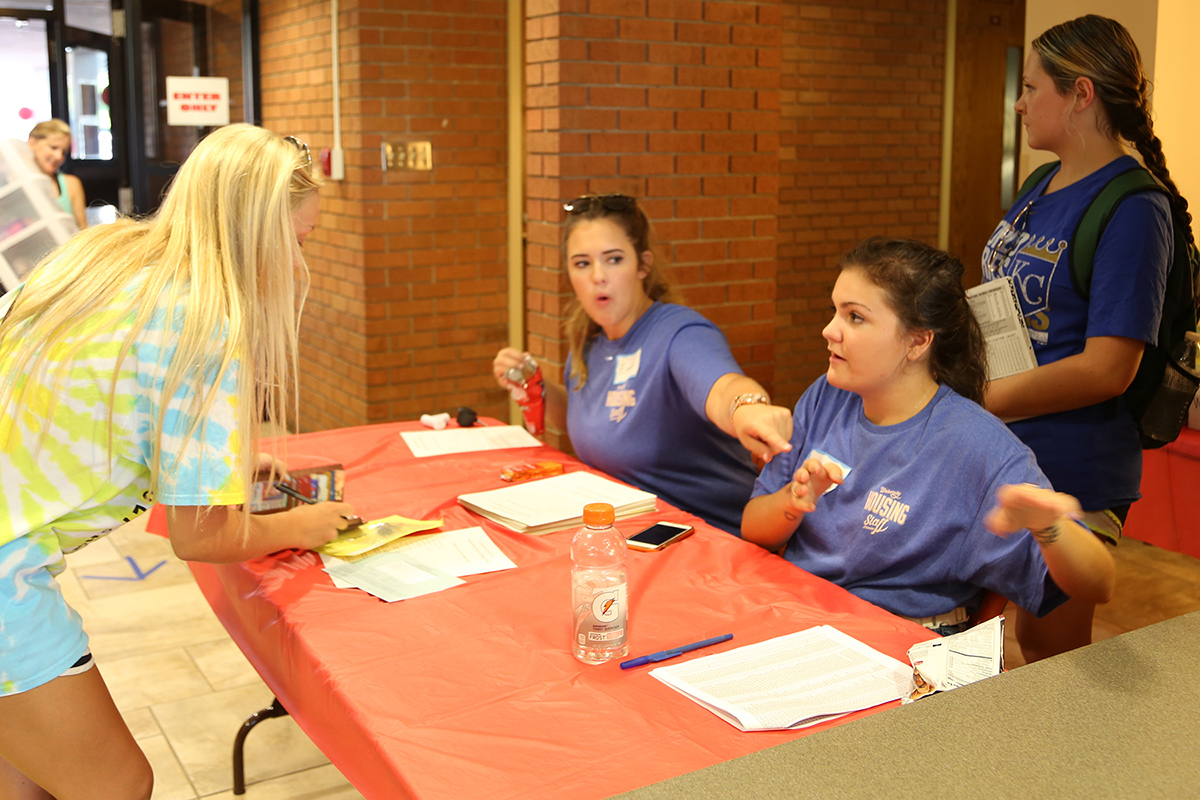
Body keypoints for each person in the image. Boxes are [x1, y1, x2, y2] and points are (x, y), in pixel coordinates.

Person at [0, 125, 354, 800]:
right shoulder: (207, 320)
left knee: (28, 777)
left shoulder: (106, 255)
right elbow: (200, 535)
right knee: (117, 783)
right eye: (300, 242)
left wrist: (215, 467)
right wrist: (305, 528)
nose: (303, 266)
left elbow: (94, 408)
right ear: (256, 233)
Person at [742, 238, 1115, 635]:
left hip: (897, 644)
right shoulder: (826, 396)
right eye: (835, 311)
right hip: (801, 618)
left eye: (855, 317)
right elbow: (753, 528)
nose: (829, 330)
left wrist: (1049, 528)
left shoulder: (979, 447)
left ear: (918, 341)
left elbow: (1098, 585)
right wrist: (796, 500)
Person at [980, 15, 1191, 661]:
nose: (1018, 102)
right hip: (1002, 448)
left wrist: (982, 400)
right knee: (971, 643)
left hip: (1072, 467)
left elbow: (1107, 369)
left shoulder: (1134, 208)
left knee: (1048, 659)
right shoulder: (1042, 183)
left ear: (1080, 94)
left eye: (1033, 86)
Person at [492, 194, 793, 535]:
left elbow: (724, 387)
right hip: (631, 533)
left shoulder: (680, 332)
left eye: (614, 259)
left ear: (642, 265)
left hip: (710, 540)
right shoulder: (589, 340)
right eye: (582, 264)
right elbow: (592, 418)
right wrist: (538, 387)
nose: (598, 277)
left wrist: (747, 407)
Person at [27, 119, 87, 229]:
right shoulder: (15, 183)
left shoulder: (71, 184)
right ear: (32, 143)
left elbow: (83, 232)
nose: (59, 157)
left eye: (63, 152)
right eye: (53, 147)